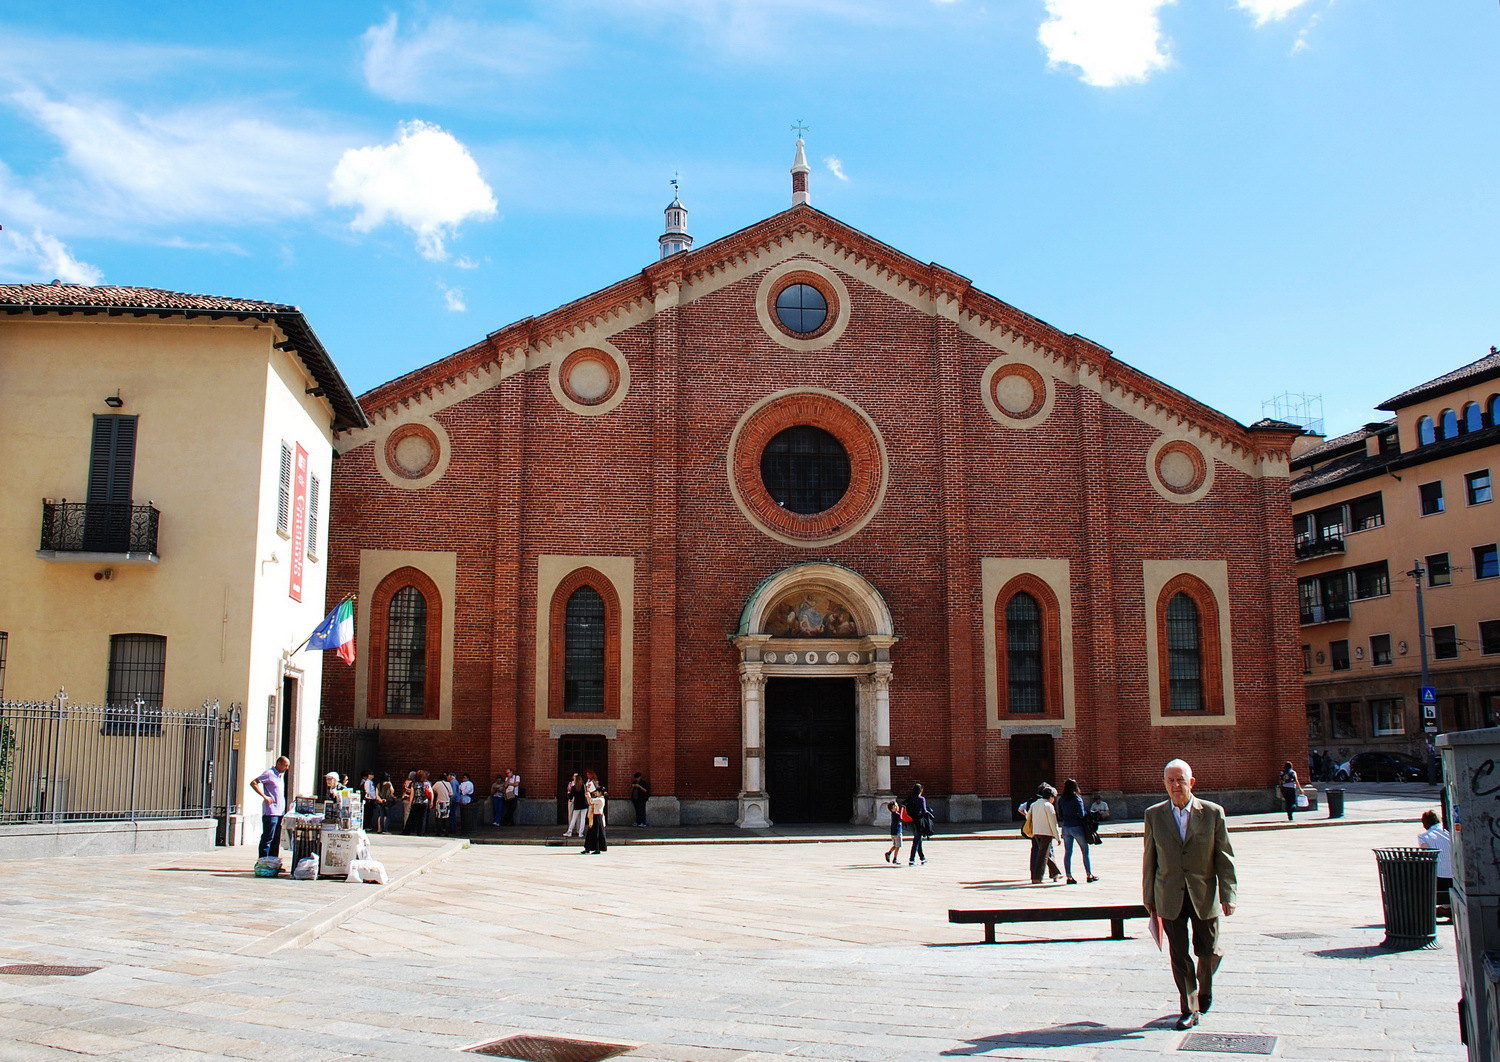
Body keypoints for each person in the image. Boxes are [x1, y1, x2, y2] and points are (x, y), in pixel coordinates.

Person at [1143, 758, 1237, 1031]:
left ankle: (1204, 988)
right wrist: (1148, 895)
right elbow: (1150, 857)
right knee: (1179, 954)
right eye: (1170, 780)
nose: (1175, 785)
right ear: (1164, 783)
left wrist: (1228, 893)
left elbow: (1224, 857)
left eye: (1180, 780)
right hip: (1168, 894)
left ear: (1191, 782)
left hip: (1204, 893)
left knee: (1207, 951)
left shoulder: (1212, 813)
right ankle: (1189, 1007)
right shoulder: (1154, 814)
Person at [1057, 778, 1098, 884]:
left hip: (1066, 827)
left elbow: (1060, 814)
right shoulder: (1077, 799)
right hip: (1077, 826)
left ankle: (1069, 877)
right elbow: (1081, 814)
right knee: (1085, 851)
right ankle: (1089, 874)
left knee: (1068, 852)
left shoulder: (1061, 799)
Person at [250, 756, 290, 858]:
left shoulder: (280, 775)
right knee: (268, 837)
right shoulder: (269, 773)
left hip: (280, 811)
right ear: (279, 764)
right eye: (285, 765)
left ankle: (273, 861)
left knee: (276, 839)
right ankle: (263, 860)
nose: (287, 768)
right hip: (271, 811)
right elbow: (254, 783)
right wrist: (264, 796)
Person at [1418, 809, 1453, 919]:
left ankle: (1443, 908)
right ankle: (1447, 908)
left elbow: (1426, 858)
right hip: (1455, 877)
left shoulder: (1424, 837)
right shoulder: (1450, 833)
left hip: (1439, 879)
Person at [1025, 783, 1062, 884]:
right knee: (1043, 856)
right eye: (1053, 797)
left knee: (1045, 853)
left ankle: (1055, 873)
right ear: (1050, 797)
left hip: (1036, 832)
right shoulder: (1048, 806)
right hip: (1046, 833)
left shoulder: (1035, 804)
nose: (1054, 800)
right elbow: (1053, 822)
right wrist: (1058, 836)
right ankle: (1037, 878)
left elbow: (1028, 816)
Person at [905, 783, 928, 866]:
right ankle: (912, 859)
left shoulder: (910, 798)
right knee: (916, 840)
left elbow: (903, 804)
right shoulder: (921, 799)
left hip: (911, 820)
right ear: (921, 790)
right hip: (918, 821)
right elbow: (924, 810)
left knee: (918, 839)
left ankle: (922, 858)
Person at [404, 770, 433, 835]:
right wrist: (431, 801)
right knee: (422, 818)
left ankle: (407, 831)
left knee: (411, 817)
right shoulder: (427, 783)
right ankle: (421, 832)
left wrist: (410, 803)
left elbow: (412, 794)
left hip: (416, 802)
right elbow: (431, 792)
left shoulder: (414, 784)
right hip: (424, 802)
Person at [583, 783, 608, 854]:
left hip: (597, 817)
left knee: (596, 833)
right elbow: (590, 803)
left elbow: (591, 801)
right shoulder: (597, 799)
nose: (595, 792)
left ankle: (597, 849)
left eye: (597, 791)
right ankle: (587, 848)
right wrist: (588, 797)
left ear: (600, 793)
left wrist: (588, 796)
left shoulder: (600, 799)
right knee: (590, 833)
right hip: (593, 817)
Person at [564, 773, 588, 838]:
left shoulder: (574, 787)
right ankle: (581, 833)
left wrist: (569, 793)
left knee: (573, 818)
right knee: (583, 819)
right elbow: (586, 794)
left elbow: (571, 797)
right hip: (584, 804)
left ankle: (569, 831)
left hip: (577, 804)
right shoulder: (583, 786)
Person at [884, 799, 904, 865]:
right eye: (895, 806)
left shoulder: (894, 814)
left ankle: (889, 853)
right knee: (898, 846)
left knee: (895, 845)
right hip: (897, 832)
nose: (897, 806)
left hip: (893, 832)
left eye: (897, 805)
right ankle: (895, 858)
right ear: (892, 809)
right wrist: (903, 809)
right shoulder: (897, 815)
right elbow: (902, 818)